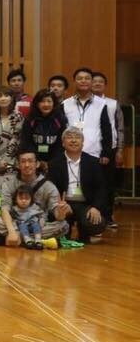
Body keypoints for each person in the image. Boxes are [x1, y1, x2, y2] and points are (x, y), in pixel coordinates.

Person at [0, 149, 70, 245]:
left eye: (30, 161)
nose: (27, 165)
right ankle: (33, 239)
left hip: (38, 225)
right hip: (16, 224)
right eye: (23, 161)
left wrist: (61, 213)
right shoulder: (9, 184)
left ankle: (21, 239)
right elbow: (5, 209)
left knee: (63, 225)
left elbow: (57, 213)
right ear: (18, 165)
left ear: (37, 164)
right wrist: (12, 231)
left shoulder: (48, 186)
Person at [47, 127, 108, 244]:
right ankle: (67, 228)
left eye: (77, 137)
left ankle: (83, 228)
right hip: (65, 204)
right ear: (63, 143)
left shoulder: (93, 162)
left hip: (85, 204)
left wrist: (95, 207)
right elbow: (51, 188)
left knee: (96, 224)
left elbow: (101, 188)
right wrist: (59, 205)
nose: (73, 140)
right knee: (58, 226)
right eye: (69, 137)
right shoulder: (54, 163)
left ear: (82, 142)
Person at [61, 68, 113, 174]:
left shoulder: (101, 103)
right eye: (80, 78)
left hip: (94, 154)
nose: (83, 81)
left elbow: (106, 130)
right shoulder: (65, 104)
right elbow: (61, 130)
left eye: (87, 78)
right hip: (70, 154)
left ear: (91, 82)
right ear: (74, 82)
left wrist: (106, 153)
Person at [92, 71, 124, 227]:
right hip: (91, 148)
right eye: (94, 81)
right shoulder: (86, 103)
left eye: (101, 82)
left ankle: (108, 216)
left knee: (108, 183)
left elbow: (120, 128)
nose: (97, 84)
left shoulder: (113, 104)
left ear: (105, 85)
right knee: (91, 182)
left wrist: (119, 150)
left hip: (110, 148)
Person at [20, 89, 67, 173]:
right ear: (37, 103)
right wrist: (38, 161)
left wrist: (51, 163)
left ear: (54, 103)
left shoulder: (60, 119)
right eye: (42, 101)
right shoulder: (30, 119)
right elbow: (26, 143)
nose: (46, 104)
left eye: (49, 101)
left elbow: (61, 144)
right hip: (34, 162)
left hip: (54, 162)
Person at [11, 185, 44, 250]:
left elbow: (41, 215)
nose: (24, 201)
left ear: (31, 199)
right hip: (22, 226)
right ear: (16, 199)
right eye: (21, 198)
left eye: (27, 198)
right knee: (23, 226)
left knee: (36, 225)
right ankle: (27, 240)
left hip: (33, 224)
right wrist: (15, 229)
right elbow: (13, 220)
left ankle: (38, 240)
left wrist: (42, 220)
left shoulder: (34, 207)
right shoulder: (14, 209)